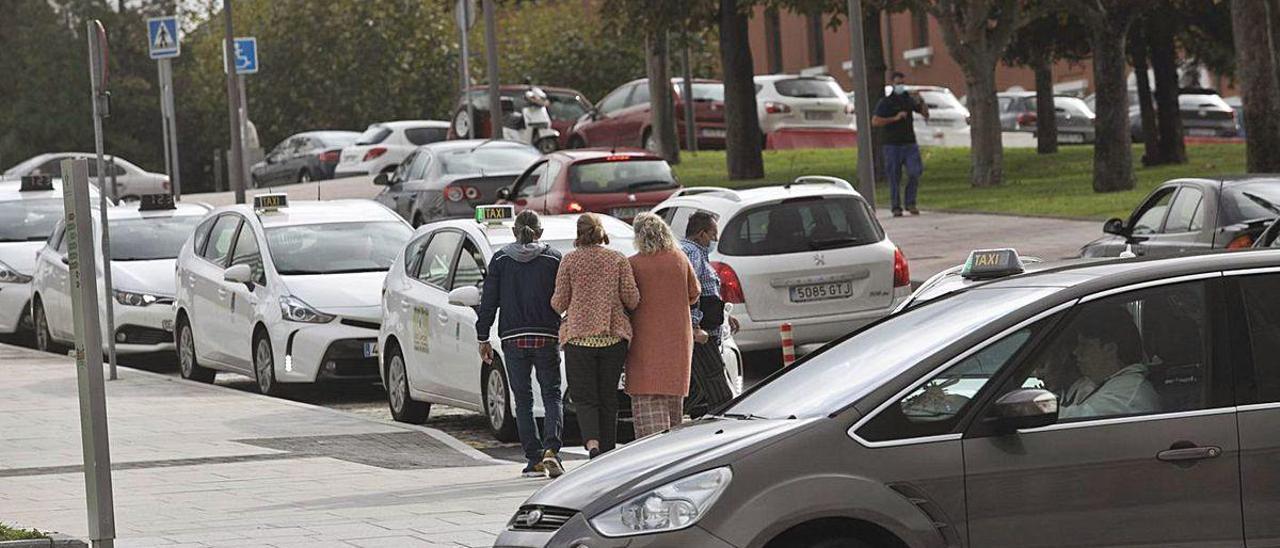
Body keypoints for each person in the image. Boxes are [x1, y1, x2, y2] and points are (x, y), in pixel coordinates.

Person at [475, 210, 565, 478]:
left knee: (522, 398)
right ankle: (552, 451)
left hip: (512, 337)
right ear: (540, 232)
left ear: (514, 232)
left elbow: (489, 302)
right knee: (551, 394)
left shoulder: (501, 260)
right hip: (546, 334)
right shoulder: (553, 258)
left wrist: (483, 336)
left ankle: (533, 459)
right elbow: (561, 298)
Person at [551, 213, 640, 458]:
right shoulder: (618, 259)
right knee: (608, 395)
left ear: (579, 233)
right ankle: (609, 450)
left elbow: (559, 303)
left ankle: (593, 445)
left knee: (584, 397)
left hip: (579, 339)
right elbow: (632, 298)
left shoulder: (569, 261)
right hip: (613, 338)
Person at [626, 213, 701, 438]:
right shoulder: (679, 258)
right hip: (677, 342)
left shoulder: (634, 264)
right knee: (673, 406)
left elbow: (628, 300)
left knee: (647, 404)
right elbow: (694, 294)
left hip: (644, 343)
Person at [680, 212, 737, 416]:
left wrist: (724, 315)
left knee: (698, 387)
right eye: (713, 234)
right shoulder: (692, 253)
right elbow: (691, 291)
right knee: (719, 390)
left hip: (707, 329)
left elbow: (707, 292)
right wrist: (695, 327)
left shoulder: (697, 253)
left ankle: (672, 421)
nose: (715, 239)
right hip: (702, 335)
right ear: (702, 234)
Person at [1058, 306, 1160, 419]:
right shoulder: (1098, 384)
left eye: (1085, 345)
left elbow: (1078, 420)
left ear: (1110, 349)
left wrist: (1039, 408)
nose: (1076, 352)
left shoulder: (1127, 393)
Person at [872, 71, 930, 217]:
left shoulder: (908, 100)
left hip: (909, 143)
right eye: (898, 83)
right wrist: (895, 118)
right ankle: (896, 206)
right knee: (894, 176)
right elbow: (876, 121)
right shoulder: (886, 102)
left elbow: (925, 114)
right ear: (892, 84)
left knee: (914, 172)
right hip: (892, 144)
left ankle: (910, 202)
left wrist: (921, 101)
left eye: (902, 83)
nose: (900, 86)